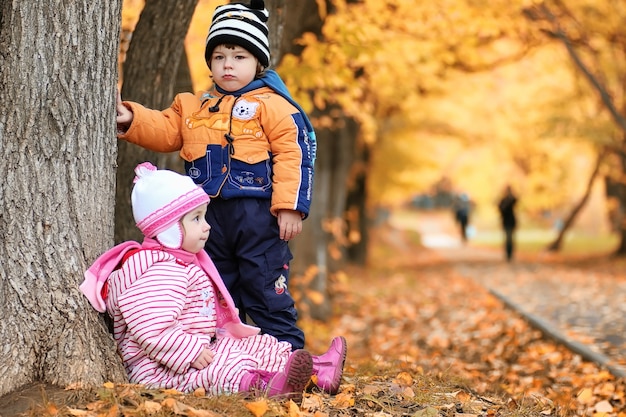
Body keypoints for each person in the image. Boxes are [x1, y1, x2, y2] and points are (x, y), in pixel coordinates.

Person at [115, 0, 316, 351]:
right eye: (220, 56)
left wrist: (290, 207)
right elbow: (165, 129)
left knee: (265, 286)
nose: (228, 65)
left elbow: (293, 155)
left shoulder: (274, 106)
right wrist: (132, 119)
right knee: (215, 288)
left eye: (239, 57)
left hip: (259, 219)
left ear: (258, 62)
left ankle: (290, 355)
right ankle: (227, 358)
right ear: (210, 62)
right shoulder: (193, 106)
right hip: (205, 220)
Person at [80, 163, 346, 397]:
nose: (207, 226)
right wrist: (189, 351)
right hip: (164, 366)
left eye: (204, 216)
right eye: (196, 219)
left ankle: (317, 372)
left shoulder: (180, 261)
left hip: (199, 346)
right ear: (169, 229)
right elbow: (151, 327)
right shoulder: (159, 270)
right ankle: (266, 387)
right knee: (224, 368)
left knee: (257, 345)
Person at [497, 185, 518, 262]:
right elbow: (500, 208)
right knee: (507, 238)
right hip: (506, 221)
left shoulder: (511, 200)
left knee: (510, 238)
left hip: (511, 221)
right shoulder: (503, 200)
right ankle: (508, 253)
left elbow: (516, 200)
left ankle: (510, 253)